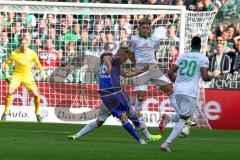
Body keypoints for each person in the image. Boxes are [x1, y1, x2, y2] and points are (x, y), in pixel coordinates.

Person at [68, 46, 161, 144]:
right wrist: (110, 66)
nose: (125, 61)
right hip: (115, 93)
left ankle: (76, 135)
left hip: (105, 95)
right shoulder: (113, 59)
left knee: (99, 121)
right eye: (125, 59)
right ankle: (144, 134)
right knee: (130, 113)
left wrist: (142, 70)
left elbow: (126, 74)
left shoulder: (114, 64)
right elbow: (106, 56)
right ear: (122, 55)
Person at [159, 36, 221, 152]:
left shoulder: (182, 56)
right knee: (184, 119)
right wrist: (213, 75)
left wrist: (177, 82)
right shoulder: (203, 58)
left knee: (185, 116)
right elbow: (204, 77)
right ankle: (166, 144)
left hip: (177, 90)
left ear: (191, 45)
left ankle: (169, 117)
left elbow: (170, 72)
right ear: (200, 45)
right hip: (190, 91)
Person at [129, 17, 182, 128]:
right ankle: (138, 121)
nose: (145, 30)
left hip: (153, 68)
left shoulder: (155, 39)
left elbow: (154, 51)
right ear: (139, 27)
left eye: (147, 28)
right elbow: (132, 54)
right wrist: (137, 66)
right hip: (141, 70)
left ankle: (182, 115)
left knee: (170, 90)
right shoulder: (134, 40)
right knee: (140, 97)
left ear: (150, 28)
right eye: (143, 27)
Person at [1, 36, 48, 122]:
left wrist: (43, 74)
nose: (23, 45)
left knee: (36, 95)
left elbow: (38, 64)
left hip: (28, 76)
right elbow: (7, 64)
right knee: (9, 92)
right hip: (17, 76)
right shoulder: (14, 53)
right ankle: (5, 112)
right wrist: (7, 74)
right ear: (19, 44)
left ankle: (37, 113)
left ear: (27, 43)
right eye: (21, 43)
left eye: (25, 43)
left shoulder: (32, 53)